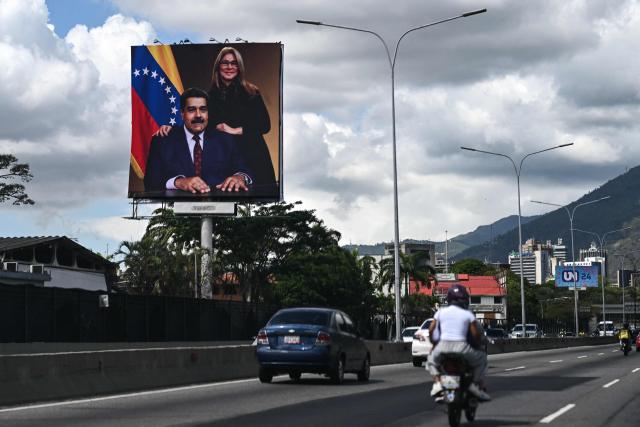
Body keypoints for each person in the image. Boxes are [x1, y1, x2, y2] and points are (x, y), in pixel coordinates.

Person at [156, 47, 276, 187]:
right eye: (225, 63)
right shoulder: (209, 97)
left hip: (253, 154)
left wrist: (233, 130)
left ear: (240, 67)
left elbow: (265, 125)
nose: (229, 67)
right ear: (218, 66)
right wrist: (172, 128)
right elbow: (197, 123)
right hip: (225, 158)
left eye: (234, 63)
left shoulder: (252, 92)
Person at [144, 88, 252, 193]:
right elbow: (150, 183)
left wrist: (240, 177)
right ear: (182, 113)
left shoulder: (225, 140)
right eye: (191, 110)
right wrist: (178, 182)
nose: (198, 115)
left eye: (203, 109)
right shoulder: (162, 141)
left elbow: (245, 171)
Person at [427, 284, 491, 401]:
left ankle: (437, 383)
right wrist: (477, 345)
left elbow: (431, 329)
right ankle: (475, 385)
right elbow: (476, 334)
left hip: (443, 347)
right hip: (462, 347)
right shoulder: (468, 314)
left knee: (431, 361)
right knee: (482, 359)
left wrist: (434, 344)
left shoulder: (440, 312)